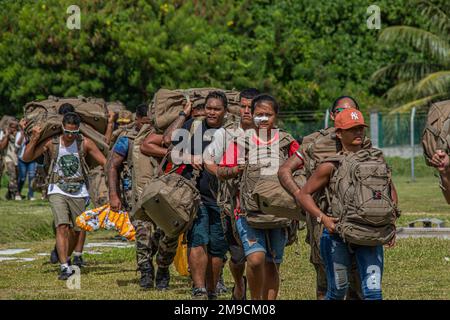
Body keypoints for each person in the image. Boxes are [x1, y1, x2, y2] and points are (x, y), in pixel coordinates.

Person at [297, 108, 398, 300]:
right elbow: (303, 195)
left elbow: (390, 192)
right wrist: (323, 218)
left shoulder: (376, 161)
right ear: (339, 133)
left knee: (373, 293)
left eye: (360, 128)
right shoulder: (330, 164)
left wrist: (390, 223)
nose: (358, 132)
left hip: (370, 233)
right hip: (337, 235)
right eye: (352, 129)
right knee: (337, 291)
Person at [278, 96, 366, 300]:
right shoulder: (313, 142)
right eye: (342, 111)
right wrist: (300, 196)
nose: (347, 115)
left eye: (353, 111)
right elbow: (285, 171)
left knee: (357, 280)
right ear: (333, 115)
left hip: (357, 218)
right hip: (323, 221)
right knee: (326, 280)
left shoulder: (363, 141)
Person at [23, 112, 106, 280]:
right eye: (67, 132)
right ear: (62, 128)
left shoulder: (85, 143)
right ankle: (64, 267)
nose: (70, 136)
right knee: (62, 226)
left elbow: (105, 162)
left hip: (79, 190)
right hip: (57, 188)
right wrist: (34, 138)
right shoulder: (52, 143)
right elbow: (26, 157)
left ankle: (67, 257)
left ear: (78, 131)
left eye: (74, 133)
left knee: (77, 230)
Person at [166, 91, 229, 299]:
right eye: (209, 108)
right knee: (198, 239)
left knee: (218, 247)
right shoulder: (193, 127)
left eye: (216, 109)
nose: (211, 112)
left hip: (222, 198)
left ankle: (212, 289)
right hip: (196, 196)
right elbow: (170, 147)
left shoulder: (231, 132)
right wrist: (188, 156)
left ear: (225, 111)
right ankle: (199, 288)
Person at [108, 104, 176, 290]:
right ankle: (146, 271)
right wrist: (114, 195)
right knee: (143, 233)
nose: (146, 126)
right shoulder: (127, 140)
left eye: (150, 123)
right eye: (143, 123)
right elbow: (113, 166)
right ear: (137, 120)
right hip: (135, 195)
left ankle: (162, 267)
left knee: (165, 234)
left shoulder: (163, 137)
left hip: (163, 195)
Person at [204, 88, 260, 300]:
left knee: (261, 258)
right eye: (243, 106)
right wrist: (222, 172)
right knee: (237, 258)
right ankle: (239, 284)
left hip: (260, 206)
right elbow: (208, 160)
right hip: (232, 206)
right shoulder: (225, 134)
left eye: (251, 107)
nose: (246, 111)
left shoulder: (268, 134)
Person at [16, 118, 37, 201]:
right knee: (22, 177)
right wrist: (22, 133)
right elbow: (17, 146)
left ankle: (31, 195)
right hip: (21, 159)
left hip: (32, 159)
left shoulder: (33, 134)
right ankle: (18, 192)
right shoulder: (19, 133)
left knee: (32, 177)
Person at [0, 119, 21, 200]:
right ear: (9, 127)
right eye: (12, 127)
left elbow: (18, 146)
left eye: (15, 127)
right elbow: (2, 147)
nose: (14, 129)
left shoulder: (18, 134)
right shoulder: (3, 133)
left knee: (16, 176)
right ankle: (16, 193)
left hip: (16, 158)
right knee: (13, 175)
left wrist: (21, 133)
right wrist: (7, 135)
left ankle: (9, 195)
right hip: (6, 158)